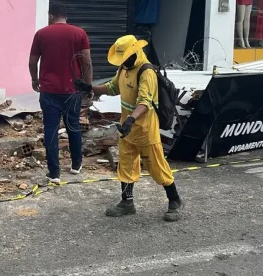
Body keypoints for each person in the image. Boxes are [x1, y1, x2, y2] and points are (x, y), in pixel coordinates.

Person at [75, 35, 183, 221]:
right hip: (127, 129)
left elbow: (144, 102)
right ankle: (127, 202)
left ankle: (174, 199)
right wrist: (89, 87)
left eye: (125, 58)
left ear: (134, 52)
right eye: (121, 59)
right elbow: (113, 87)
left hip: (144, 129)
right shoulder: (124, 69)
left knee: (156, 167)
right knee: (126, 165)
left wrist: (130, 121)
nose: (123, 62)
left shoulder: (146, 72)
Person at [29, 3, 91, 183]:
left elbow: (32, 61)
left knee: (50, 129)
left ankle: (54, 173)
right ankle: (76, 165)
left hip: (49, 91)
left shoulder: (41, 34)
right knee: (73, 126)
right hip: (73, 90)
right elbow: (86, 62)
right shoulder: (80, 33)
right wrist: (87, 87)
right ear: (66, 16)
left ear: (51, 16)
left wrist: (34, 79)